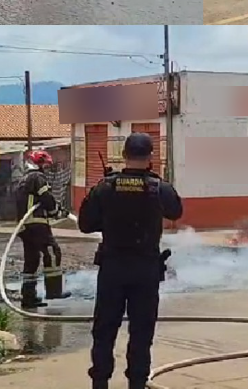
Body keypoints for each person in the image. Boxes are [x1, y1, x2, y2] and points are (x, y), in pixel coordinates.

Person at [78, 132, 183, 389]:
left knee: (104, 331)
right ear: (150, 158)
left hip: (113, 269)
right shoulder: (160, 188)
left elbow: (85, 225)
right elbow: (176, 211)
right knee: (141, 332)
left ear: (124, 155)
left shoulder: (105, 187)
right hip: (145, 270)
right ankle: (137, 383)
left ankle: (100, 383)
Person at [13, 148, 71, 309]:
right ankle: (54, 291)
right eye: (45, 165)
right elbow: (47, 198)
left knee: (31, 260)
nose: (46, 168)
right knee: (52, 252)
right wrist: (56, 212)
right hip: (36, 223)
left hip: (24, 226)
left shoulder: (23, 179)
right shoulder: (37, 177)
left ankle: (28, 297)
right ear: (39, 164)